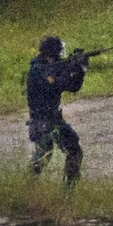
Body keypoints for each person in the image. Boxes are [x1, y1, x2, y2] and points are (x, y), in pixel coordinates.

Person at [26, 36, 87, 184]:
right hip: (42, 120)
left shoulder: (51, 67)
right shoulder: (38, 69)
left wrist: (80, 70)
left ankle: (69, 191)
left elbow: (73, 87)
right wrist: (71, 68)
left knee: (74, 150)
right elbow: (56, 84)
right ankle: (25, 187)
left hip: (54, 119)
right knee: (43, 156)